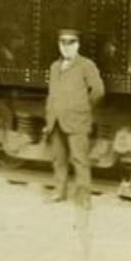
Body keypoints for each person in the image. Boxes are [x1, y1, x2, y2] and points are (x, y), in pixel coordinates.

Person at [44, 28, 104, 209]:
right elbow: (52, 93)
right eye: (63, 43)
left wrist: (84, 108)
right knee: (59, 159)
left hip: (77, 120)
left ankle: (84, 197)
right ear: (59, 45)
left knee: (80, 159)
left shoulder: (87, 65)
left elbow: (98, 91)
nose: (66, 47)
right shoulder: (55, 67)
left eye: (71, 43)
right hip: (55, 121)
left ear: (77, 45)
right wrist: (49, 117)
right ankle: (59, 191)